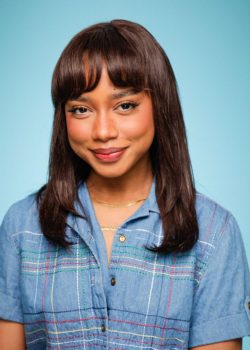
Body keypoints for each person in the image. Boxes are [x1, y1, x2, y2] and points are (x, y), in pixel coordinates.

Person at [0, 19, 249, 350]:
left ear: (160, 104)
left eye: (125, 105)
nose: (103, 131)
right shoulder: (22, 227)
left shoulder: (214, 234)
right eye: (81, 109)